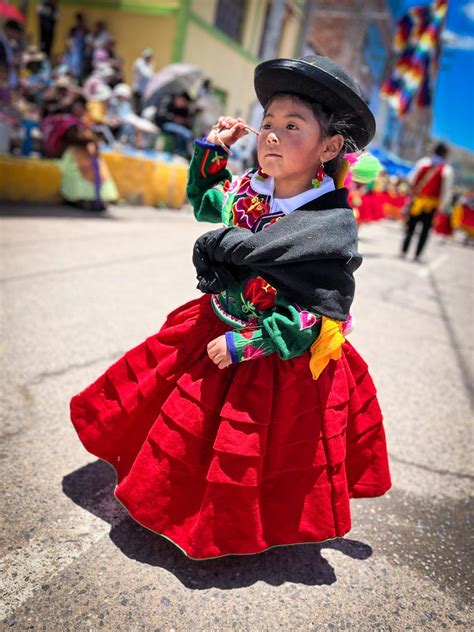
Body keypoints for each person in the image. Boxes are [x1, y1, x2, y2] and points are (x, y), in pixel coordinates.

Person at [70, 55, 391, 560]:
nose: (271, 136)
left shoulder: (327, 226)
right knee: (183, 427)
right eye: (267, 124)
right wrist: (211, 152)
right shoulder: (248, 192)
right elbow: (205, 202)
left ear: (329, 147)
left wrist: (252, 342)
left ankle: (228, 527)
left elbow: (321, 310)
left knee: (246, 451)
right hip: (214, 323)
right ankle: (170, 501)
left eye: (292, 126)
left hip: (272, 356)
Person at [401, 142, 454, 261]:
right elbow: (445, 191)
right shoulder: (447, 170)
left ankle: (404, 251)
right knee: (424, 232)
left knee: (411, 227)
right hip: (432, 206)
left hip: (417, 201)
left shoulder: (423, 163)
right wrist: (441, 207)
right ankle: (417, 255)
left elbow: (411, 179)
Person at [132, 48, 154, 113]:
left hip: (145, 91)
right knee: (138, 109)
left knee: (143, 110)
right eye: (147, 56)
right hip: (138, 90)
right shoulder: (139, 62)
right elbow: (146, 74)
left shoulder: (150, 64)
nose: (148, 58)